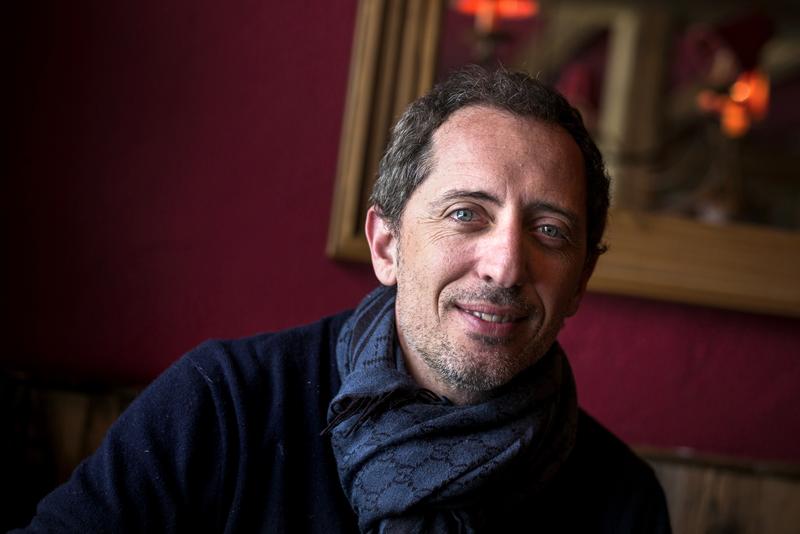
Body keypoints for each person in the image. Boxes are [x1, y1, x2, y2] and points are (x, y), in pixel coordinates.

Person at [15, 66, 670, 533]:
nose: (505, 265)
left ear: (580, 281)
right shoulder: (223, 407)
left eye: (550, 231)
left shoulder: (620, 501)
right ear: (386, 246)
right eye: (467, 214)